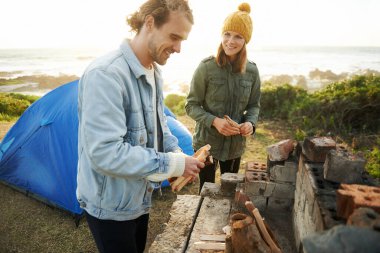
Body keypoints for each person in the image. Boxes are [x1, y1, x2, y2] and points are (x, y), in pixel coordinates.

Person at [76, 1, 204, 252]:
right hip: (110, 207)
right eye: (174, 37)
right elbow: (106, 153)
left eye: (183, 41)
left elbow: (160, 126)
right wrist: (173, 164)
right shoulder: (106, 75)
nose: (178, 48)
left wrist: (177, 155)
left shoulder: (154, 71)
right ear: (149, 23)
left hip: (139, 197)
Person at [185, 2, 261, 193]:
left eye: (238, 36)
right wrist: (214, 121)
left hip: (235, 147)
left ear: (246, 40)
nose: (230, 41)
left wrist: (250, 124)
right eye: (227, 34)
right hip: (207, 144)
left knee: (230, 192)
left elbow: (253, 106)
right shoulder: (206, 67)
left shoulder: (252, 70)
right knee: (206, 190)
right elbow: (191, 105)